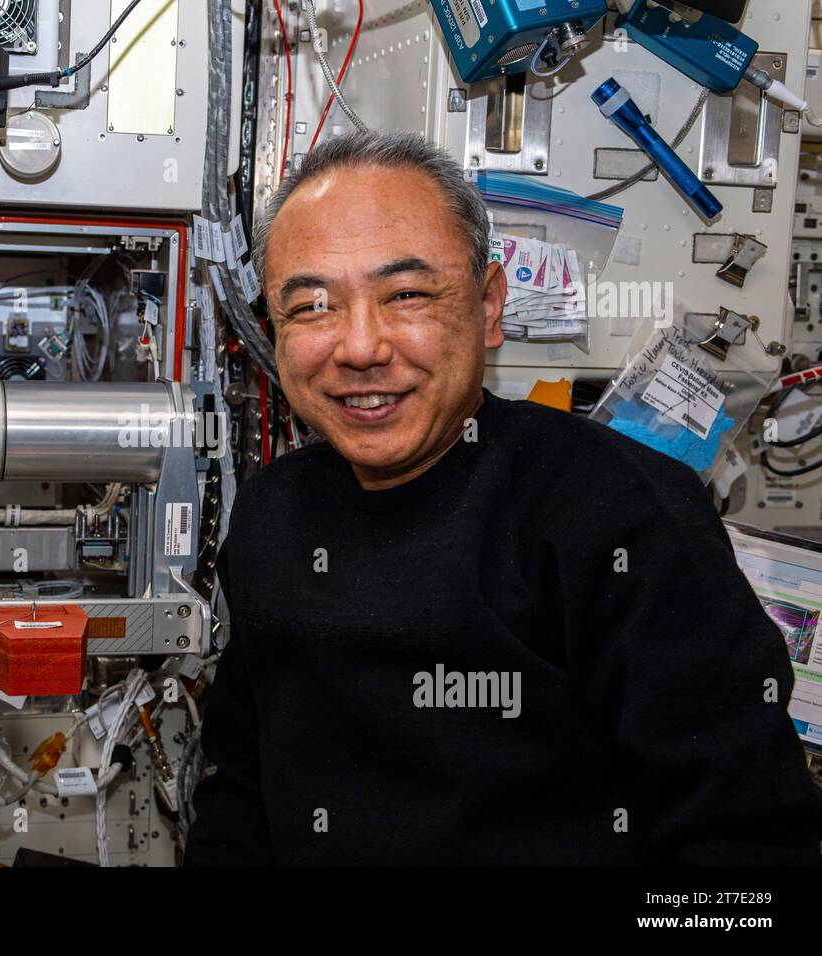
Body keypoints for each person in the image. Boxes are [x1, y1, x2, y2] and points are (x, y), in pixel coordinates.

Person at [183, 130, 822, 865]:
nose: (359, 347)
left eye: (407, 295)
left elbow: (747, 846)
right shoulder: (271, 515)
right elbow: (238, 788)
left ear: (489, 306)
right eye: (313, 307)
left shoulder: (621, 514)